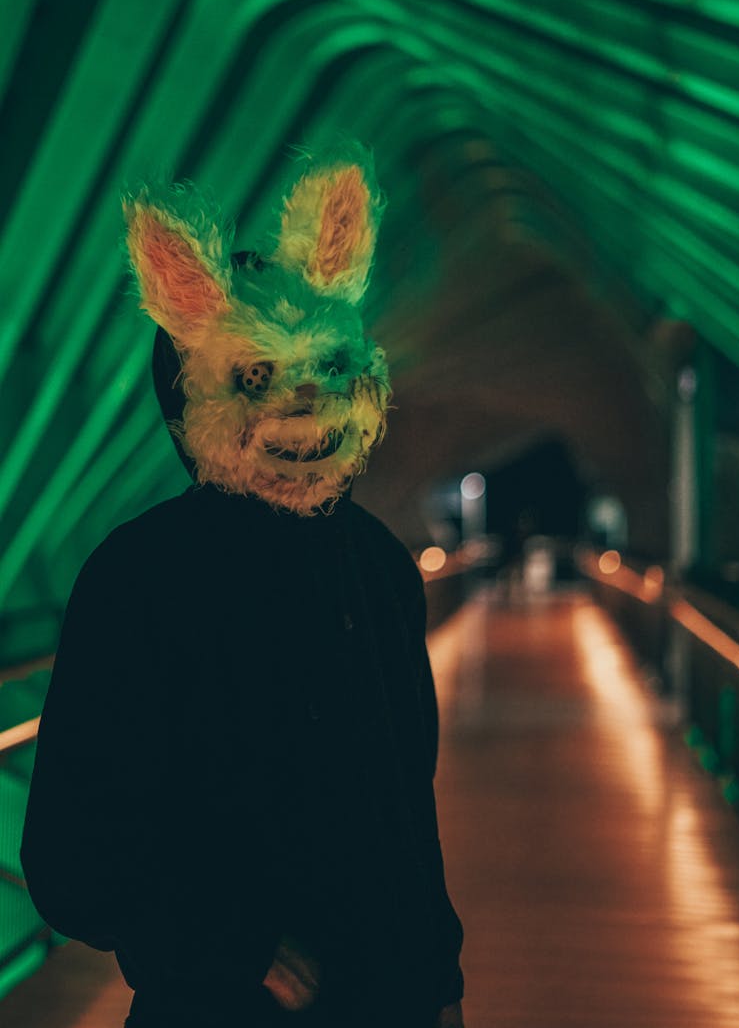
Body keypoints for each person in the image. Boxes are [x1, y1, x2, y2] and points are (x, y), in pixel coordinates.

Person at [20, 148, 465, 1027]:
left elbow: (407, 807)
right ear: (195, 398)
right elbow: (72, 852)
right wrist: (239, 946)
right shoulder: (140, 580)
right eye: (256, 376)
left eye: (326, 368)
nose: (302, 405)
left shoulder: (377, 565)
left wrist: (440, 983)